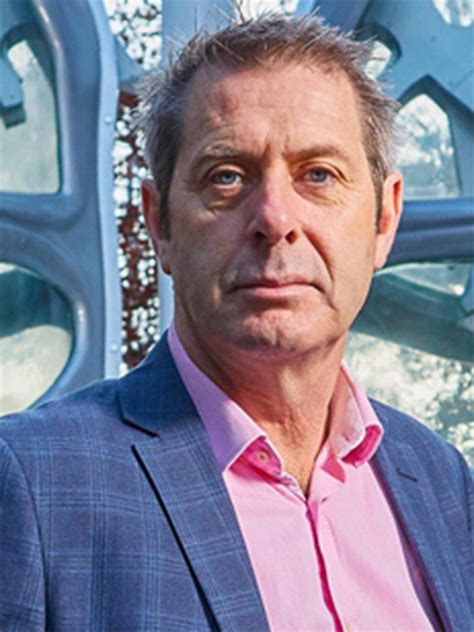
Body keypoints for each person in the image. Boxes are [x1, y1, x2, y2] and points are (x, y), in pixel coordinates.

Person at [0, 15, 472, 632]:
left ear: (385, 219)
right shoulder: (34, 482)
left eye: (318, 174)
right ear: (161, 224)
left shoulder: (444, 485)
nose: (275, 219)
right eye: (226, 176)